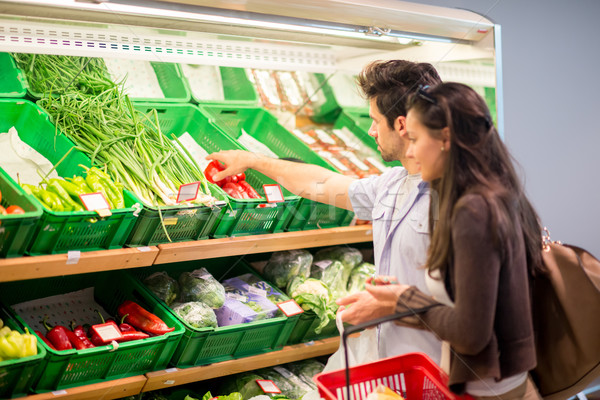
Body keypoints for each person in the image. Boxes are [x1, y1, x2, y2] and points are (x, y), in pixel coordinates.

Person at [206, 60, 444, 362]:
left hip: (440, 372)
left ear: (400, 125)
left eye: (375, 120)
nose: (370, 130)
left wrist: (394, 306)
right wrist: (253, 161)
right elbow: (322, 182)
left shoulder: (455, 200)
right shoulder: (393, 185)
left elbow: (475, 313)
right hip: (394, 368)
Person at [337, 82, 544, 399]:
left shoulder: (473, 211)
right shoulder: (493, 192)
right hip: (502, 379)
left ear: (445, 140)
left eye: (416, 139)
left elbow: (471, 333)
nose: (410, 151)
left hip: (485, 390)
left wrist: (401, 299)